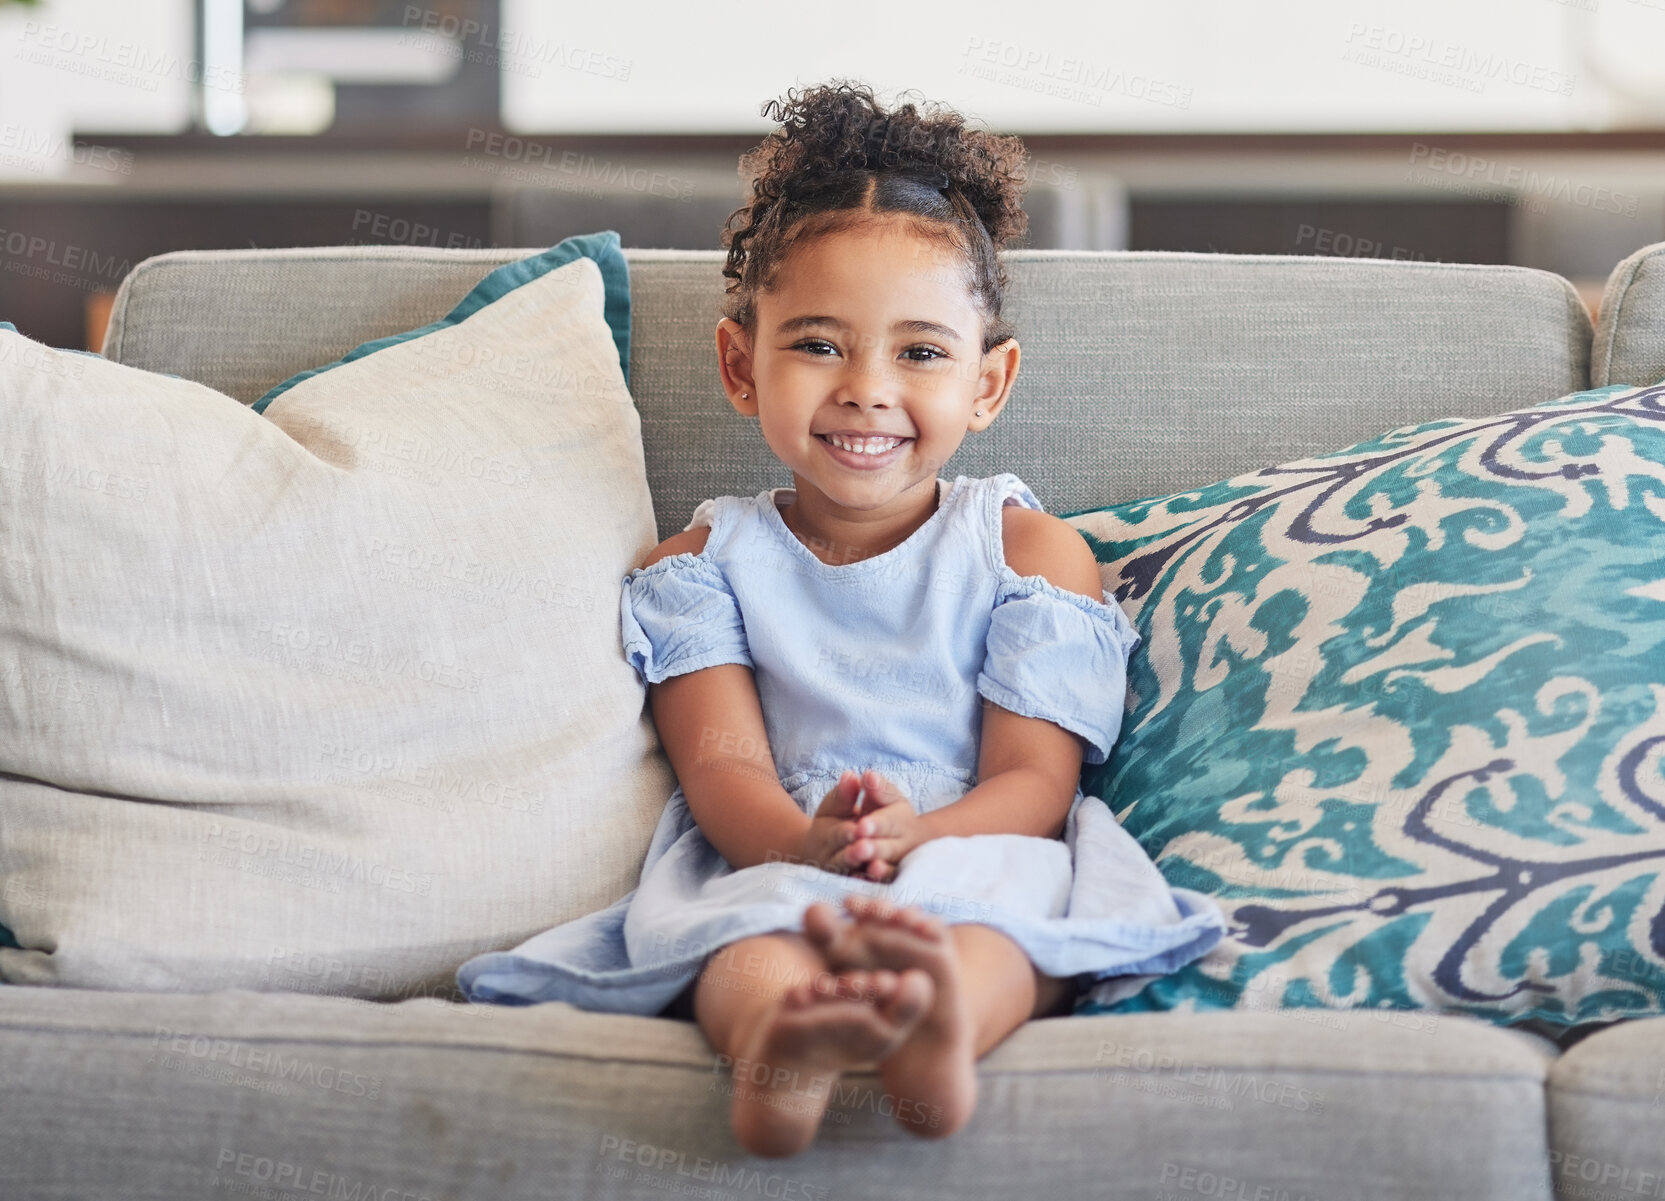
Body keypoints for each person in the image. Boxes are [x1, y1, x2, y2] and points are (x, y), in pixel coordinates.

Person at [456, 79, 1224, 1159]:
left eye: (919, 352)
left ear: (988, 383)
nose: (866, 389)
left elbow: (1035, 785)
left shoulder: (1027, 551)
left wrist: (922, 837)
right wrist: (806, 845)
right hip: (780, 848)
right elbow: (725, 775)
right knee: (746, 941)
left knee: (1011, 925)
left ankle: (940, 1026)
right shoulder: (700, 566)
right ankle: (780, 1043)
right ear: (741, 364)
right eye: (819, 344)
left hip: (974, 836)